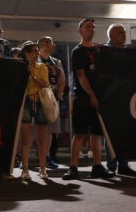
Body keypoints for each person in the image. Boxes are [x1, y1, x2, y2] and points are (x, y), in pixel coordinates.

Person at [66, 18, 112, 180]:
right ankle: (73, 167)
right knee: (79, 133)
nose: (91, 30)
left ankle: (97, 165)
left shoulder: (98, 50)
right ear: (80, 30)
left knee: (97, 134)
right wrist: (91, 95)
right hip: (83, 98)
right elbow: (80, 75)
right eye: (87, 27)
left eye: (93, 27)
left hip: (98, 98)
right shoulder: (77, 51)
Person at [102, 24, 136, 177]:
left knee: (125, 132)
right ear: (110, 35)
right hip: (109, 97)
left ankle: (123, 165)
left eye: (124, 32)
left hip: (126, 97)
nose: (123, 35)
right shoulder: (103, 52)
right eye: (120, 32)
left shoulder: (128, 52)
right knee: (111, 132)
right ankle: (111, 164)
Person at [18, 41, 51, 182]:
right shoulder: (20, 68)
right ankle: (25, 169)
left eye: (37, 51)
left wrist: (34, 75)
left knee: (41, 138)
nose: (37, 53)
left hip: (40, 102)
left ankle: (42, 168)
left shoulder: (42, 66)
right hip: (26, 102)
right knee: (26, 139)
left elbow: (46, 83)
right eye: (34, 51)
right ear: (26, 54)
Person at [38, 36, 65, 171]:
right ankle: (23, 156)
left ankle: (47, 156)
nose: (52, 45)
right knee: (33, 129)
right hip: (37, 98)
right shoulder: (35, 60)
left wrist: (58, 97)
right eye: (50, 43)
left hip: (52, 98)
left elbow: (62, 80)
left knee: (50, 130)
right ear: (43, 45)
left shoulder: (56, 62)